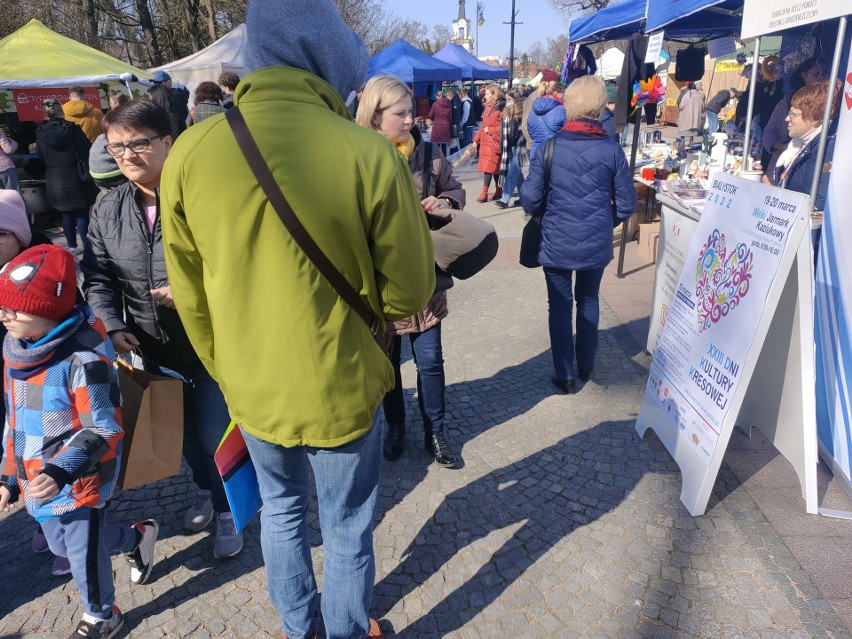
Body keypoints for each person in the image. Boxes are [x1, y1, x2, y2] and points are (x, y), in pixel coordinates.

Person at [158, 1, 435, 637]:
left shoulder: (192, 153)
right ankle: (343, 629)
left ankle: (298, 627)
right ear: (328, 59)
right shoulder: (369, 154)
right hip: (340, 382)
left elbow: (190, 295)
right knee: (345, 526)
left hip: (251, 386)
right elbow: (408, 292)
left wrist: (228, 367)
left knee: (281, 512)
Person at [80, 99, 242, 560]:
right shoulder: (107, 210)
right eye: (117, 148)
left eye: (139, 143)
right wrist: (112, 326)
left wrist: (193, 292)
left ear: (168, 143)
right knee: (182, 438)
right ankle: (209, 495)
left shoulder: (204, 197)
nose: (128, 155)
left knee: (215, 434)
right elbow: (98, 277)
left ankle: (230, 508)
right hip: (151, 350)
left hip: (210, 345)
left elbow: (236, 264)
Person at [0, 244, 158, 639]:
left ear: (49, 311)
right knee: (62, 547)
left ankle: (103, 614)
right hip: (37, 477)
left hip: (78, 479)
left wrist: (60, 470)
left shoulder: (83, 362)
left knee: (83, 554)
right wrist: (7, 476)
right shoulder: (17, 353)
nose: (3, 315)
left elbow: (104, 428)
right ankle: (137, 536)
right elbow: (14, 423)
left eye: (13, 308)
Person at [356, 76, 464, 469]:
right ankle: (395, 426)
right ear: (375, 117)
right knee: (388, 367)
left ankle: (436, 431)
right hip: (384, 285)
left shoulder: (430, 155)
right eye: (400, 114)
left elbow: (458, 193)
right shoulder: (361, 160)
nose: (409, 121)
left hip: (425, 279)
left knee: (431, 361)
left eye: (410, 112)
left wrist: (444, 199)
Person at [520, 76, 637, 393]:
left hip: (556, 240)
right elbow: (627, 204)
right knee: (588, 299)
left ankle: (566, 375)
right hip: (595, 243)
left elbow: (529, 200)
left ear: (567, 107)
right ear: (600, 109)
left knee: (559, 305)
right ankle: (586, 365)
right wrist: (602, 223)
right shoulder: (612, 151)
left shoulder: (550, 147)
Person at [36, 99, 96, 253]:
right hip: (76, 176)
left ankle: (72, 246)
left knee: (66, 214)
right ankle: (88, 247)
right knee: (82, 214)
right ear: (61, 111)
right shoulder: (73, 129)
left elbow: (40, 156)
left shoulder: (41, 133)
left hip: (55, 180)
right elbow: (87, 148)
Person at [771, 79, 838, 211]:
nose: (786, 119)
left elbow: (819, 203)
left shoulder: (827, 148)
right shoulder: (796, 145)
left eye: (793, 115)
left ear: (817, 119)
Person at [762, 57, 823, 178]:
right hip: (781, 162)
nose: (820, 77)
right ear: (804, 75)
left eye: (824, 73)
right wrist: (775, 145)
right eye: (816, 73)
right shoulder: (787, 101)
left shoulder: (827, 104)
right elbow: (770, 129)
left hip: (806, 165)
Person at [495, 88, 525, 209]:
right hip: (508, 145)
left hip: (519, 145)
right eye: (506, 99)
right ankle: (525, 197)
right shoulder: (505, 110)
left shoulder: (521, 111)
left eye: (509, 99)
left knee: (512, 172)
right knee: (517, 174)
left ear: (515, 99)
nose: (507, 101)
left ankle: (505, 197)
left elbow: (521, 130)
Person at [473, 83, 504, 202]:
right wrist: (476, 141)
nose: (484, 96)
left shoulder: (500, 108)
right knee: (492, 168)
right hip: (486, 143)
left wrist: (490, 130)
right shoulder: (487, 108)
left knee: (490, 168)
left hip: (494, 143)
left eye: (487, 94)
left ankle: (485, 192)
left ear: (494, 94)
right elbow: (483, 127)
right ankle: (498, 190)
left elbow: (504, 127)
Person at [522, 69, 560, 149]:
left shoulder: (550, 97)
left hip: (547, 146)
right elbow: (525, 125)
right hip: (536, 147)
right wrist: (535, 144)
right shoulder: (533, 98)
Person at [527, 80, 566, 155]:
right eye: (562, 93)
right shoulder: (561, 109)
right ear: (556, 92)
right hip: (554, 152)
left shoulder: (532, 111)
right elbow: (568, 131)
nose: (563, 97)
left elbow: (531, 132)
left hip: (536, 152)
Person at [150, 70, 189, 139]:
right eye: (155, 83)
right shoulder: (178, 94)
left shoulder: (173, 99)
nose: (156, 85)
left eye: (159, 83)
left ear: (168, 82)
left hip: (177, 138)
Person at [427, 90, 453, 156]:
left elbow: (430, 115)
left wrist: (434, 120)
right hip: (445, 126)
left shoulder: (435, 104)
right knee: (444, 147)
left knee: (436, 146)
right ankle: (444, 160)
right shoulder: (449, 104)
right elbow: (450, 117)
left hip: (436, 127)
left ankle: (438, 161)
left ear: (437, 96)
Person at [0, 127, 20, 194]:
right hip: (5, 167)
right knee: (15, 197)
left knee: (2, 201)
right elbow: (8, 150)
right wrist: (14, 143)